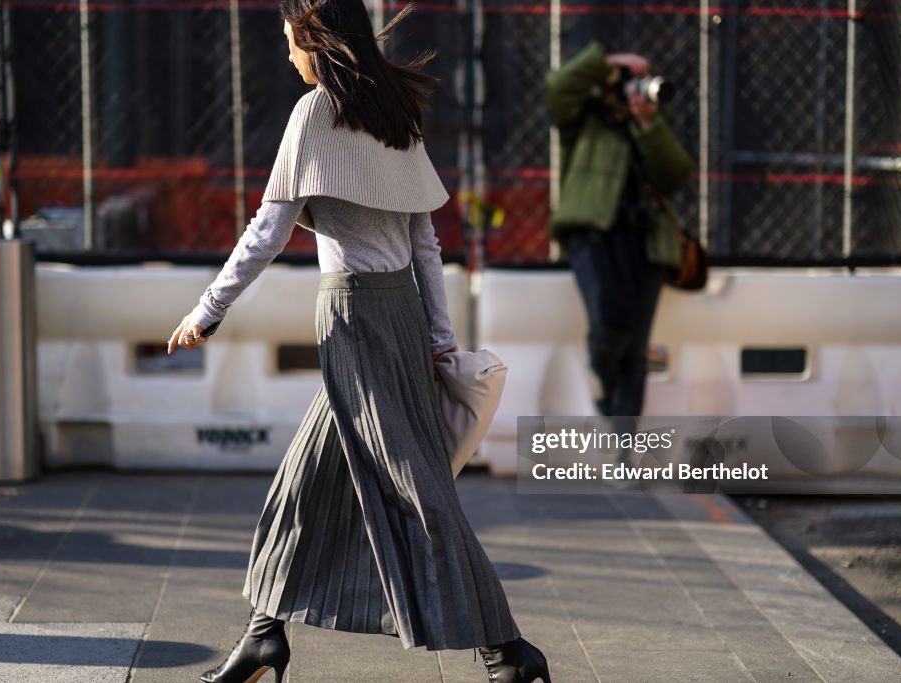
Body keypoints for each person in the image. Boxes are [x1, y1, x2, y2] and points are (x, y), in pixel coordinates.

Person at [167, 2, 551, 682]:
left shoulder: (315, 113)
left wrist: (207, 308)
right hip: (397, 316)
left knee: (416, 487)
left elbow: (268, 228)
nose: (288, 56)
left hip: (352, 320)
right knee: (304, 483)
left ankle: (507, 650)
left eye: (291, 43)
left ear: (317, 42)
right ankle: (264, 637)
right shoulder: (392, 111)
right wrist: (437, 338)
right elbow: (424, 242)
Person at [546, 41, 694, 420]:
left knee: (636, 347)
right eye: (632, 81)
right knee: (607, 329)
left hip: (647, 243)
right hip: (592, 237)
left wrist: (648, 123)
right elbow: (558, 88)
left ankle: (623, 446)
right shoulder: (584, 116)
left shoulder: (655, 118)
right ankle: (605, 385)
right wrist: (606, 63)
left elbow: (675, 175)